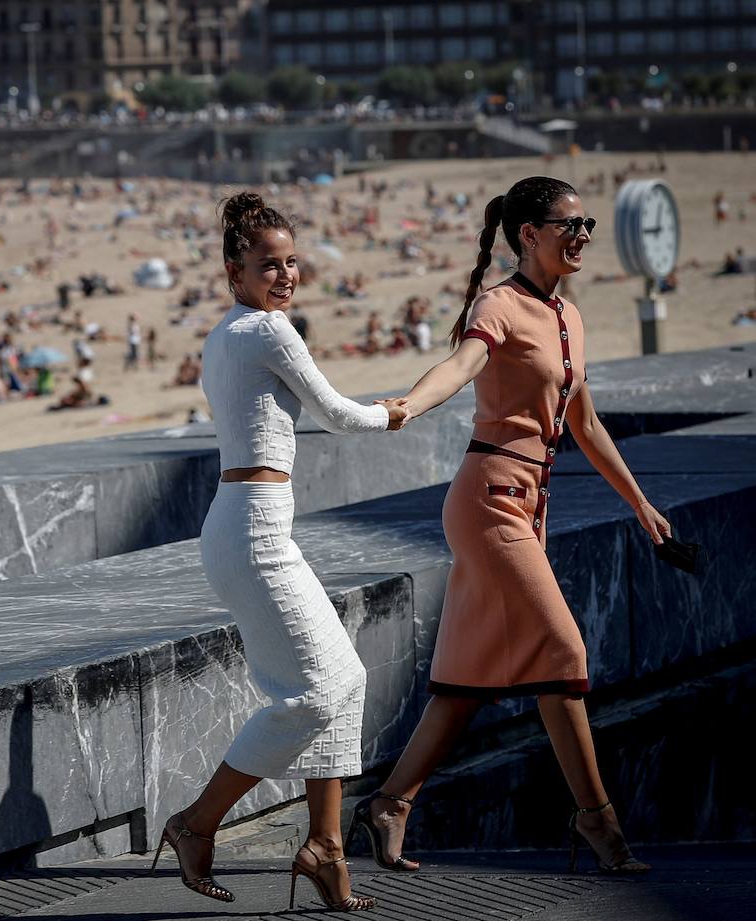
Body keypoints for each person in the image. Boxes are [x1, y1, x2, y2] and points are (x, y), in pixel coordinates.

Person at [356, 177, 663, 879]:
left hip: (531, 503)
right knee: (563, 649)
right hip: (489, 499)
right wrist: (410, 404)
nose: (582, 235)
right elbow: (461, 365)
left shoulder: (569, 316)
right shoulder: (499, 303)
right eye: (569, 224)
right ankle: (598, 820)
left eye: (587, 223)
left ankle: (390, 803)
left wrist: (640, 502)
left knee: (466, 681)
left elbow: (584, 424)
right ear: (528, 233)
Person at [154, 192, 405, 912]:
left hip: (249, 527)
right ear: (236, 270)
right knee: (313, 692)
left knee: (346, 679)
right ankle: (196, 823)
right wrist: (396, 412)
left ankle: (325, 847)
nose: (287, 274)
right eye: (270, 264)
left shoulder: (223, 332)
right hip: (253, 532)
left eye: (293, 261)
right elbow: (335, 412)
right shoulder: (268, 329)